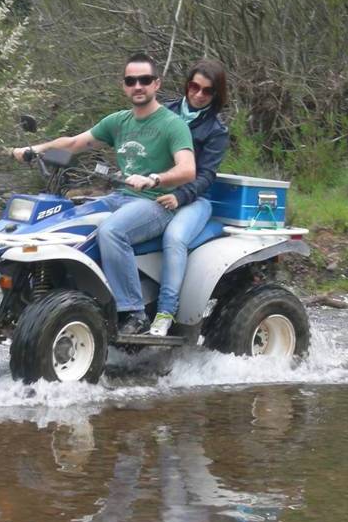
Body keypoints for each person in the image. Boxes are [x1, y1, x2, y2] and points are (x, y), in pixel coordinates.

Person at [13, 53, 195, 334]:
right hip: (121, 198)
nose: (138, 86)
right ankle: (57, 296)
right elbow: (74, 144)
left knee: (112, 231)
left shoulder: (172, 124)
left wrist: (153, 178)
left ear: (156, 84)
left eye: (144, 80)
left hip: (156, 204)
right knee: (67, 221)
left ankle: (133, 313)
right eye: (131, 80)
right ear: (124, 86)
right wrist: (36, 150)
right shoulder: (119, 121)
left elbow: (188, 170)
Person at [148, 58, 230, 336]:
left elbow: (206, 175)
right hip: (152, 190)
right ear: (186, 85)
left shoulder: (216, 131)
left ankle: (165, 311)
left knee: (174, 237)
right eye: (194, 86)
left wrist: (180, 197)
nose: (198, 94)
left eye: (206, 91)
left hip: (195, 200)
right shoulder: (164, 111)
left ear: (215, 95)